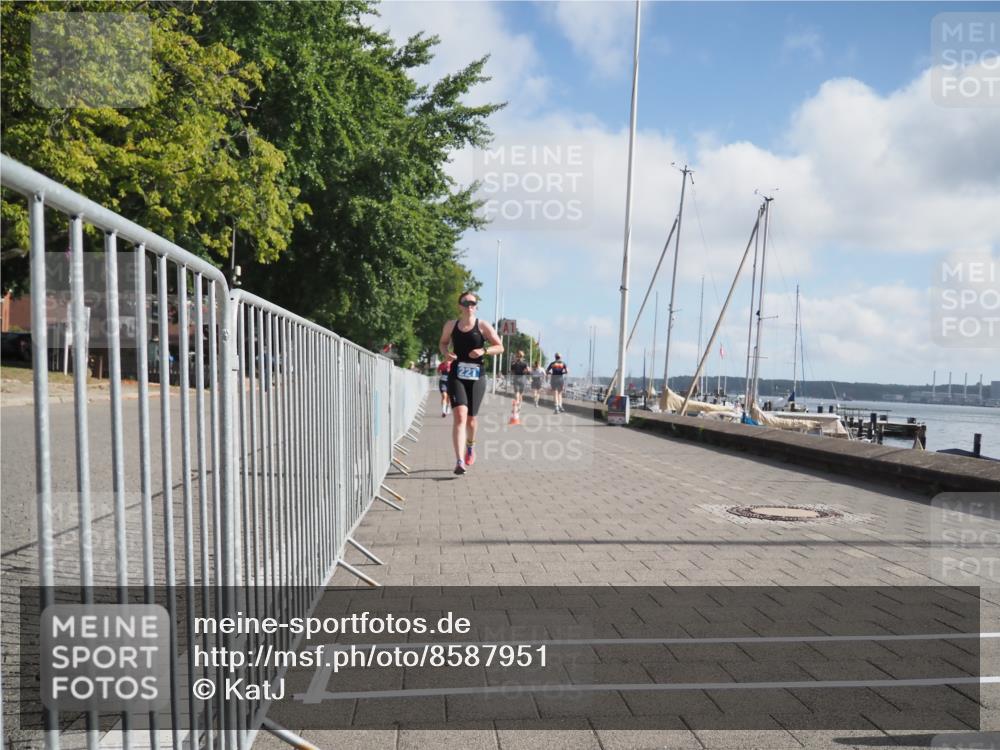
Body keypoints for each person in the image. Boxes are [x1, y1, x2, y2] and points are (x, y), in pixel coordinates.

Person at [439, 292, 503, 475]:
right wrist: (446, 353)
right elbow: (443, 343)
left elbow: (500, 346)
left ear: (476, 306)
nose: (469, 305)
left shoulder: (482, 326)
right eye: (466, 302)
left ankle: (470, 446)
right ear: (459, 305)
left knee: (471, 420)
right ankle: (459, 461)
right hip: (457, 374)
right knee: (460, 415)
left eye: (473, 303)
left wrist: (484, 351)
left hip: (477, 377)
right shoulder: (451, 325)